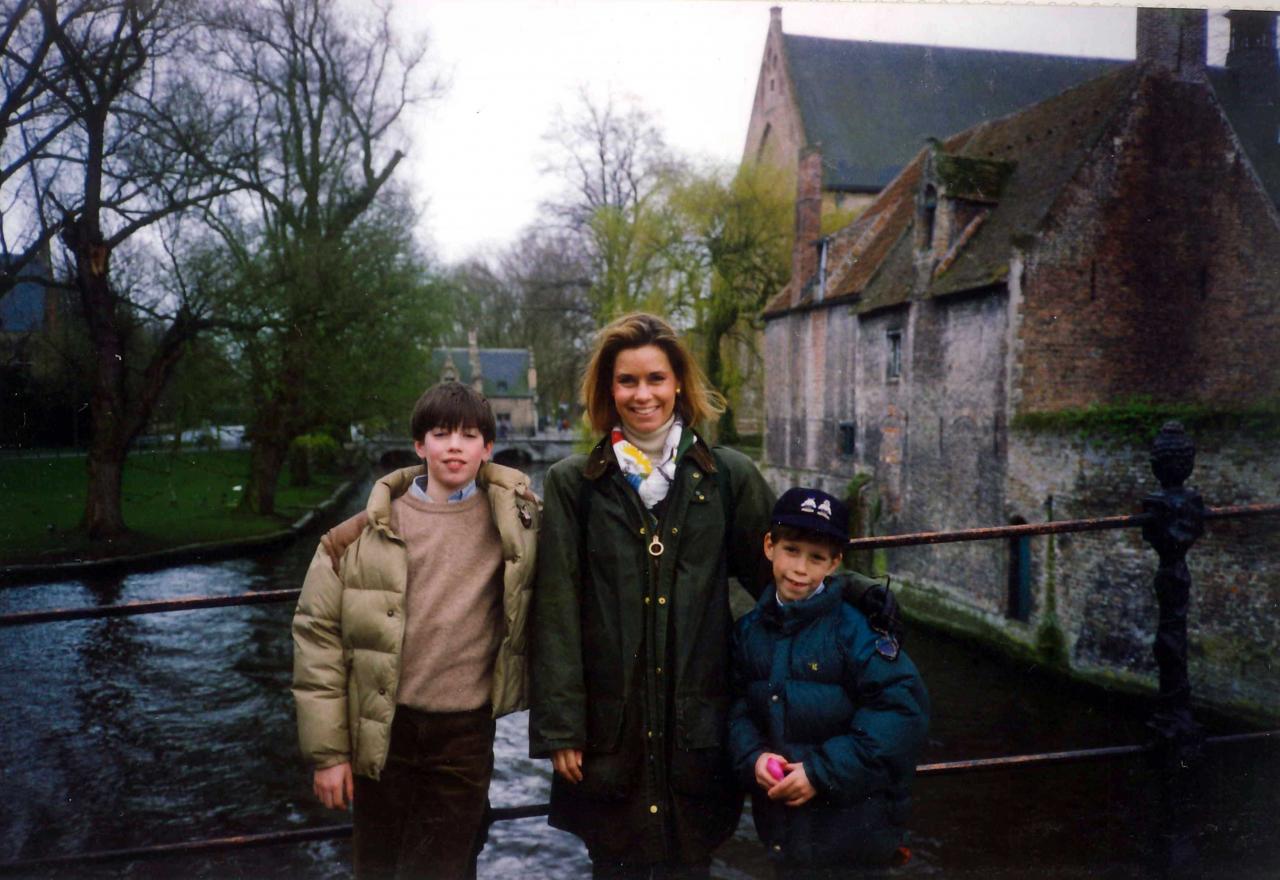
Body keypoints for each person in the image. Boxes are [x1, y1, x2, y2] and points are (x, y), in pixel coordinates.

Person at [529, 312, 776, 878]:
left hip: (697, 720)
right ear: (608, 389)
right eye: (627, 381)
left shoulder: (727, 477)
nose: (643, 395)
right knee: (614, 858)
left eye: (656, 379)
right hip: (611, 729)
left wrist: (861, 603)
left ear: (679, 385)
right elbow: (556, 611)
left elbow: (780, 581)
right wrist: (561, 729)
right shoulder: (576, 484)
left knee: (692, 855)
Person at [292, 382, 541, 880]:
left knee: (447, 867)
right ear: (418, 445)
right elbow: (317, 639)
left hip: (465, 734)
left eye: (469, 435)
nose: (454, 445)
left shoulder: (520, 523)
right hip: (384, 729)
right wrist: (329, 755)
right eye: (441, 433)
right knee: (377, 865)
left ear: (488, 448)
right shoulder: (358, 536)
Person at [728, 488, 930, 879]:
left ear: (835, 563)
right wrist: (753, 757)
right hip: (786, 828)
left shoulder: (854, 632)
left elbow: (903, 709)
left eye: (816, 557)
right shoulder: (749, 631)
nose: (800, 569)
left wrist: (822, 773)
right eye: (791, 550)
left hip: (854, 829)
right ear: (769, 546)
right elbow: (738, 707)